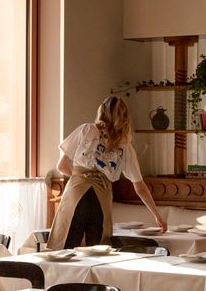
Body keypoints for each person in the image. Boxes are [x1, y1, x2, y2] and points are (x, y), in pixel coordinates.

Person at [47, 95, 167, 249]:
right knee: (97, 252)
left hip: (76, 194)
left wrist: (82, 178)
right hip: (101, 199)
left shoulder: (86, 130)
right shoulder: (126, 147)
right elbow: (140, 187)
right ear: (125, 117)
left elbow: (62, 166)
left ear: (101, 111)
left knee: (65, 247)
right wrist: (157, 216)